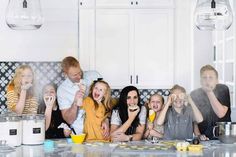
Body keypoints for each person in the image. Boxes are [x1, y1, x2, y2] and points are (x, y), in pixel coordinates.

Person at [57, 56, 103, 134]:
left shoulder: (94, 76)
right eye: (75, 75)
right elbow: (69, 120)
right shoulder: (62, 91)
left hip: (99, 129)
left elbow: (107, 99)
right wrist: (75, 102)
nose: (79, 76)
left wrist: (106, 120)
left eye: (79, 72)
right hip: (80, 133)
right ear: (66, 74)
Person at [191, 65, 231, 140]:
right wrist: (198, 135)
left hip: (224, 136)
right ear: (200, 81)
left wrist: (209, 91)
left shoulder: (223, 89)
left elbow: (221, 113)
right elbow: (194, 120)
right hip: (204, 137)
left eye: (211, 77)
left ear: (216, 80)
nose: (207, 80)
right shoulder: (194, 94)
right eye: (204, 78)